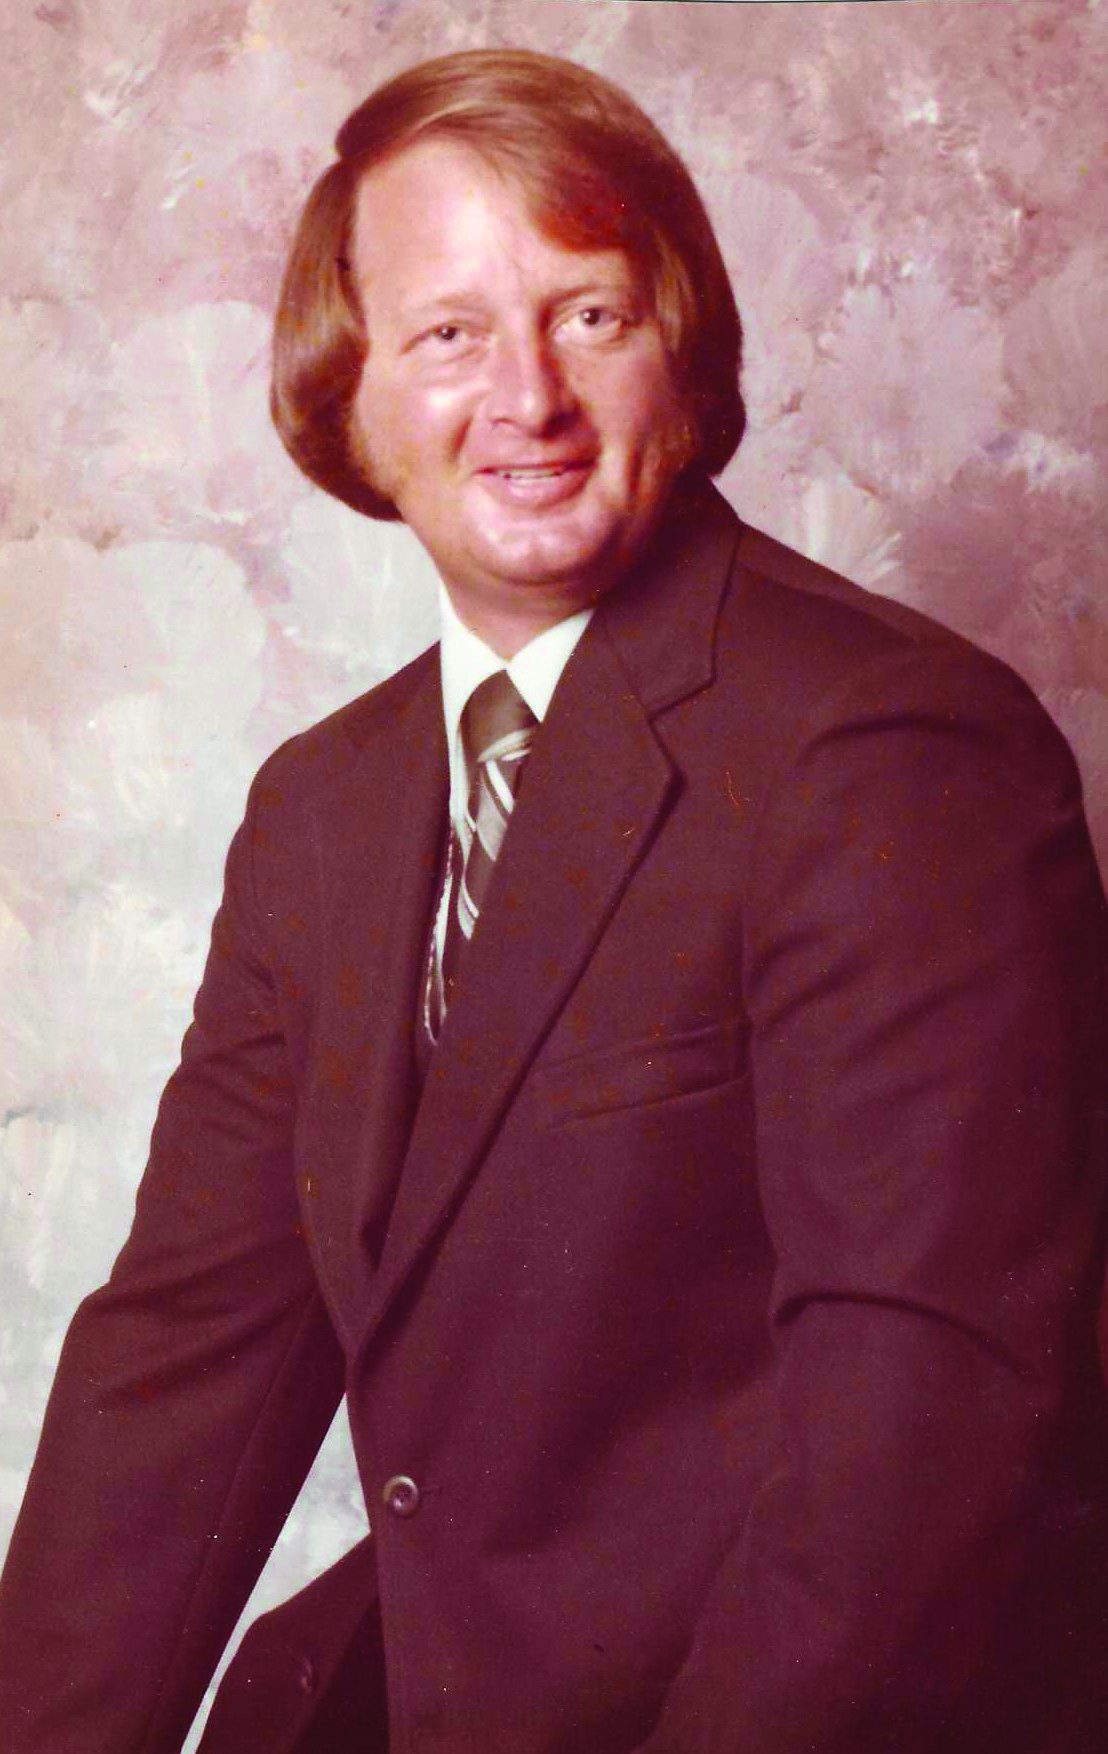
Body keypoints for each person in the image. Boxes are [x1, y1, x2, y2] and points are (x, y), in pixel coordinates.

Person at [2, 47, 1107, 1754]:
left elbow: (919, 1449)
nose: (525, 396)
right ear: (352, 393)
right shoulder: (322, 810)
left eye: (588, 315)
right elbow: (179, 1371)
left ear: (683, 351)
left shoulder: (888, 745)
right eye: (449, 333)